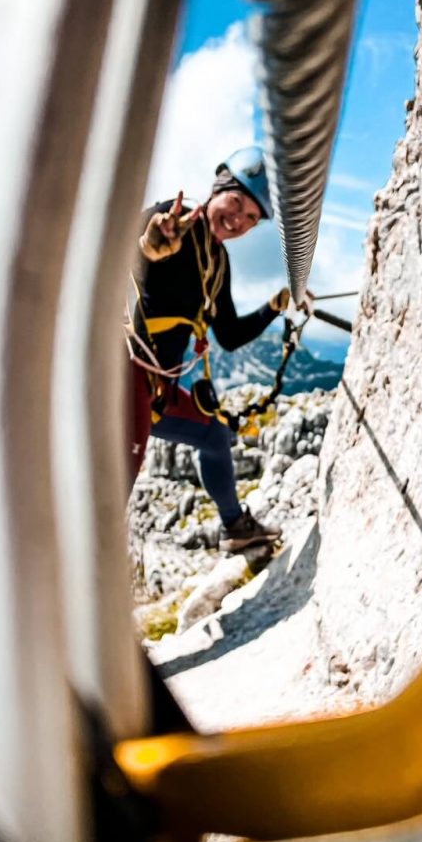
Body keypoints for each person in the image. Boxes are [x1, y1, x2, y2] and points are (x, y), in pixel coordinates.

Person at [125, 146, 290, 552]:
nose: (239, 220)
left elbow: (229, 334)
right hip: (122, 374)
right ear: (218, 188)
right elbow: (136, 247)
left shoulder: (218, 262)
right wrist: (149, 245)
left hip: (155, 389)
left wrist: (272, 309)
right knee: (115, 481)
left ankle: (235, 527)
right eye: (236, 202)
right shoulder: (171, 222)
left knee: (214, 435)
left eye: (252, 217)